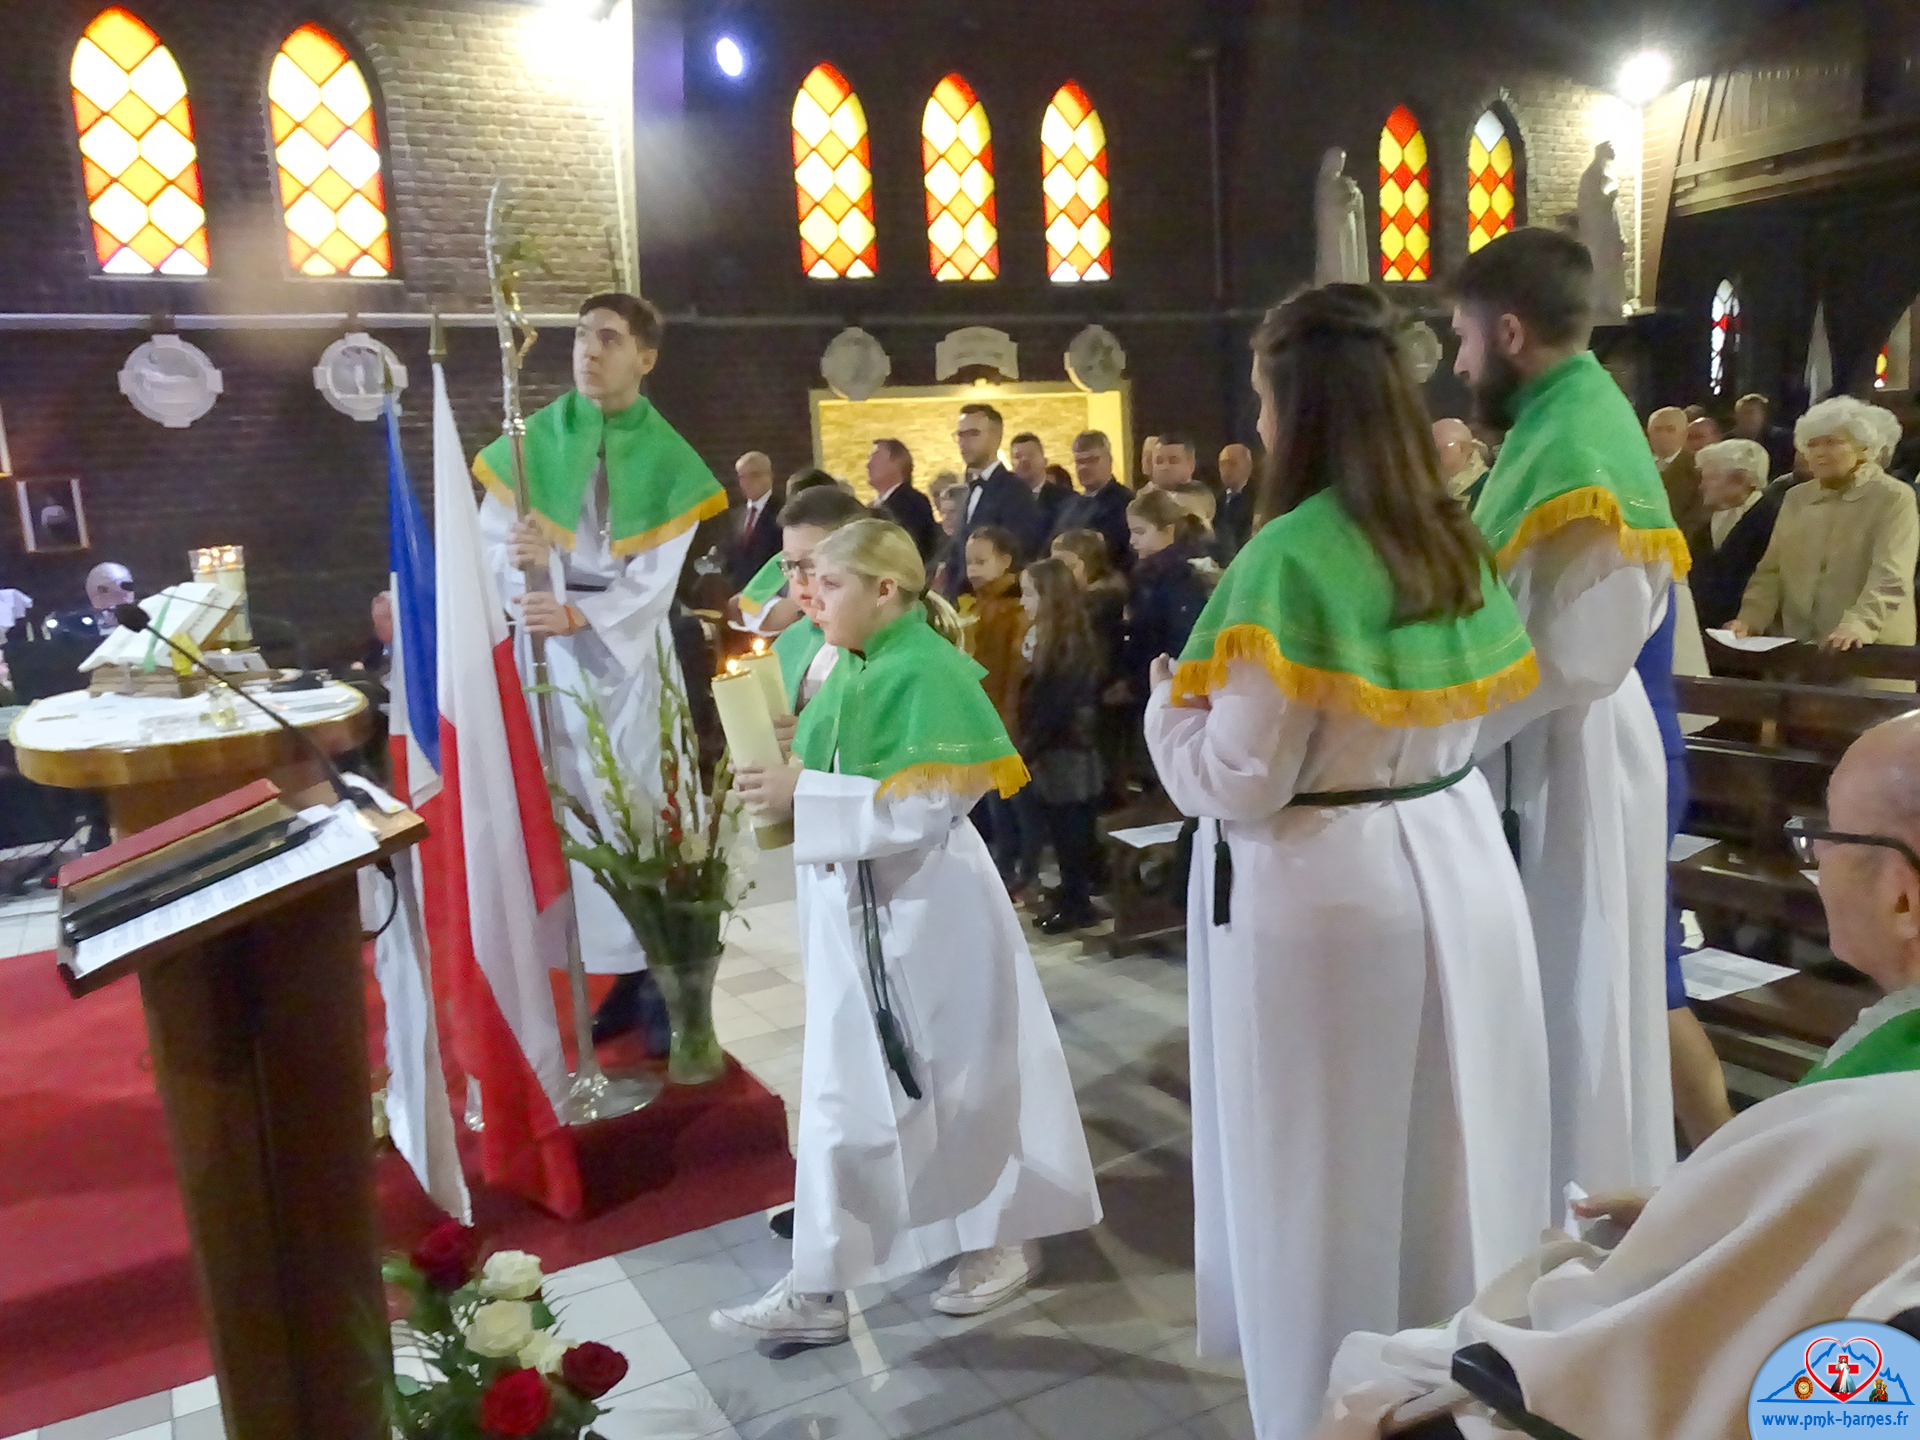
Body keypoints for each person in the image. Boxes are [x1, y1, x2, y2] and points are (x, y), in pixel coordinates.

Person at [1147, 283, 1550, 1440]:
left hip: (1323, 888)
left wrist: (1169, 708)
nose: (1259, 423)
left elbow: (1242, 777)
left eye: (1265, 400)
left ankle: (1328, 1404)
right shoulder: (1450, 535)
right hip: (1457, 858)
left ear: (1302, 407)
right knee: (1451, 1155)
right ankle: (1451, 1390)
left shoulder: (1288, 558)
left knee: (1323, 1172)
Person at [1317, 712, 1920, 1440]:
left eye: (1828, 835)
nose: (1815, 854)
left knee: (1373, 1376)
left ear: (1901, 897)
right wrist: (1706, 1215)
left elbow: (1605, 1378)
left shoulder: (1873, 1127)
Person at [715, 518, 1101, 1342]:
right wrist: (790, 764)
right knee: (845, 1094)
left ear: (884, 589)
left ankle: (998, 1237)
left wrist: (801, 793)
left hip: (929, 912)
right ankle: (822, 1283)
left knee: (962, 1081)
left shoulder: (926, 669)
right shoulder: (855, 664)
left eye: (830, 583)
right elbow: (841, 766)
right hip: (859, 908)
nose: (810, 597)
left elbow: (931, 805)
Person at [1452, 228, 1688, 1199]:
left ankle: (1574, 1210)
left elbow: (1577, 657)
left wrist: (1437, 735)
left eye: (1463, 337)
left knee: (1574, 987)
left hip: (1567, 755)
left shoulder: (1578, 443)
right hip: (1546, 746)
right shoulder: (1559, 424)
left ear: (1509, 332)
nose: (1459, 362)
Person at [476, 292, 727, 1046]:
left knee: (639, 808)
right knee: (568, 811)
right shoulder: (531, 442)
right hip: (550, 655)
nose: (589, 350)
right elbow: (493, 547)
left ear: (645, 358)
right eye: (582, 335)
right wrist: (526, 568)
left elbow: (657, 579)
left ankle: (658, 977)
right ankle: (605, 973)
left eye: (609, 339)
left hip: (628, 658)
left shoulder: (670, 458)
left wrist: (581, 614)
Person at [1730, 394, 1920, 655]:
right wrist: (1749, 620)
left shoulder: (1893, 496)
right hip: (1802, 647)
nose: (1819, 453)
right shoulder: (1797, 497)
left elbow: (1891, 575)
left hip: (1870, 648)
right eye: (1812, 445)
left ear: (1863, 447)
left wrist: (1858, 625)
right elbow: (1771, 571)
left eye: (1832, 443)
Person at [1018, 557, 1106, 933]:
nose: (1022, 602)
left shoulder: (1067, 645)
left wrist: (1029, 747)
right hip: (1053, 748)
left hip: (1066, 750)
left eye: (1028, 594)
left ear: (1049, 597)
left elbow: (1056, 705)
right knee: (1061, 828)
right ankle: (1071, 895)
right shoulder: (1045, 637)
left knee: (1071, 831)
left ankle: (1077, 903)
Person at [963, 525, 1033, 888]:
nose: (972, 570)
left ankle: (1018, 869)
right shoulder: (975, 605)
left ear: (1006, 561)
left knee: (1012, 800)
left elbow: (1014, 670)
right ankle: (1001, 863)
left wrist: (1009, 718)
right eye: (969, 562)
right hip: (980, 711)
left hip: (1004, 713)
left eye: (981, 561)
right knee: (990, 797)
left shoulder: (1014, 610)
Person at [771, 485, 872, 714]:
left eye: (811, 563)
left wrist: (805, 733)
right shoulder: (792, 640)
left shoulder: (879, 644)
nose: (798, 579)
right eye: (790, 564)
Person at [1117, 488, 1212, 707]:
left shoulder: (1180, 578)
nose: (1132, 541)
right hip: (1148, 682)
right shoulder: (1147, 574)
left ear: (1168, 531)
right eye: (1131, 532)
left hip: (1165, 687)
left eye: (1140, 532)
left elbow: (1176, 640)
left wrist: (1137, 685)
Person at [1687, 437, 1780, 630]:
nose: (1701, 486)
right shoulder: (1705, 525)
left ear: (1739, 479)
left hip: (1747, 632)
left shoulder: (1772, 520)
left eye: (1710, 478)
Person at [1050, 429, 1133, 571]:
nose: (1084, 467)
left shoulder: (1126, 502)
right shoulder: (1068, 505)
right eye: (1079, 462)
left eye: (1092, 460)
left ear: (1109, 461)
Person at [866, 438, 940, 563]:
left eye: (875, 458)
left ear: (897, 463)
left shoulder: (913, 503)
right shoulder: (873, 506)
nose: (868, 465)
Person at [1647, 404, 1706, 538]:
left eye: (1670, 430)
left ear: (1684, 434)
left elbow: (1695, 518)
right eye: (1657, 429)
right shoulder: (1636, 465)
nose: (1663, 435)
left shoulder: (1696, 470)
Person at [727, 451, 783, 591]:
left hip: (771, 591)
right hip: (739, 593)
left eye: (754, 475)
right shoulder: (736, 515)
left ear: (769, 476)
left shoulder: (783, 511)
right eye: (742, 477)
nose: (748, 482)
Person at [1009, 431, 1072, 534]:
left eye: (1030, 454)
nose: (1024, 460)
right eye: (1017, 456)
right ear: (1012, 464)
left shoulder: (1066, 499)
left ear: (1044, 461)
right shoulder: (1005, 499)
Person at [1733, 391, 1795, 476]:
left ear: (1762, 415)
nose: (1746, 417)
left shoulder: (1783, 439)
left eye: (1750, 412)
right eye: (1743, 413)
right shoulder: (1729, 441)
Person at [1432, 418, 1490, 506]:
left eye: (1438, 449)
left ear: (1462, 448)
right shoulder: (1434, 495)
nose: (1432, 456)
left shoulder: (1489, 485)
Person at [1217, 443, 1255, 552]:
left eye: (1232, 463)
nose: (1226, 469)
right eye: (1222, 464)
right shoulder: (1215, 500)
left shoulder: (1257, 499)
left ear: (1248, 466)